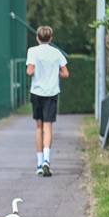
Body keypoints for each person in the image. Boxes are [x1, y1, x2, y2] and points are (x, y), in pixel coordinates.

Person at [25, 25, 69, 177]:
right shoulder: (56, 53)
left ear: (37, 38)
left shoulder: (32, 51)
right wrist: (53, 70)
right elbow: (65, 73)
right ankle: (46, 160)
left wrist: (38, 69)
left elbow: (29, 71)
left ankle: (38, 163)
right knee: (48, 127)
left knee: (39, 127)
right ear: (51, 38)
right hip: (51, 92)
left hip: (37, 92)